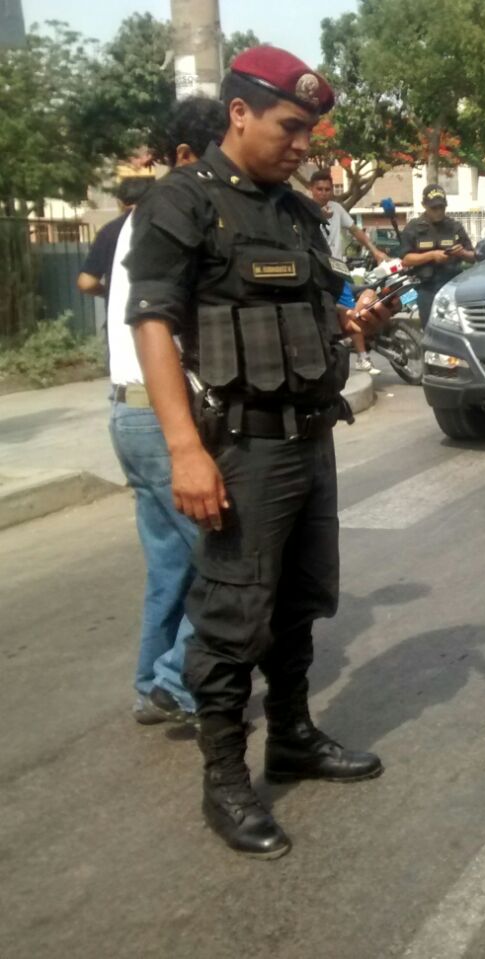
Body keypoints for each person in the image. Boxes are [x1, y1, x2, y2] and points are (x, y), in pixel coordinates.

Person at [125, 46, 394, 859]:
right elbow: (154, 324)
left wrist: (350, 329)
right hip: (239, 446)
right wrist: (184, 449)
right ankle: (224, 777)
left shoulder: (295, 211)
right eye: (290, 125)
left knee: (299, 602)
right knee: (231, 615)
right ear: (238, 112)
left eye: (310, 129)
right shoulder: (183, 202)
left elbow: (295, 312)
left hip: (311, 439)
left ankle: (292, 735)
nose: (303, 143)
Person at [108, 96, 229, 727]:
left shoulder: (138, 219)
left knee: (170, 565)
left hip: (127, 413)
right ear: (186, 157)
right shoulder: (174, 216)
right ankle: (177, 683)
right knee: (222, 563)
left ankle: (150, 682)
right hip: (161, 416)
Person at [308, 170, 388, 372]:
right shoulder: (304, 209)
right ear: (312, 190)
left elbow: (356, 231)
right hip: (314, 272)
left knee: (350, 313)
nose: (324, 193)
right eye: (319, 189)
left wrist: (375, 251)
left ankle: (363, 357)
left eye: (328, 189)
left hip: (338, 271)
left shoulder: (337, 209)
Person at [398, 183, 475, 325]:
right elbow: (406, 260)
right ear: (424, 205)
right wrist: (432, 255)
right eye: (434, 208)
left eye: (442, 207)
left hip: (453, 287)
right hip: (427, 288)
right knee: (430, 329)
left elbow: (473, 257)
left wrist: (462, 253)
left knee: (456, 328)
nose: (439, 211)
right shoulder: (414, 228)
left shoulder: (454, 226)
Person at [78, 177, 154, 308]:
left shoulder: (109, 232)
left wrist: (107, 293)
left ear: (119, 203)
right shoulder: (162, 227)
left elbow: (86, 282)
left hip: (118, 317)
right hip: (159, 313)